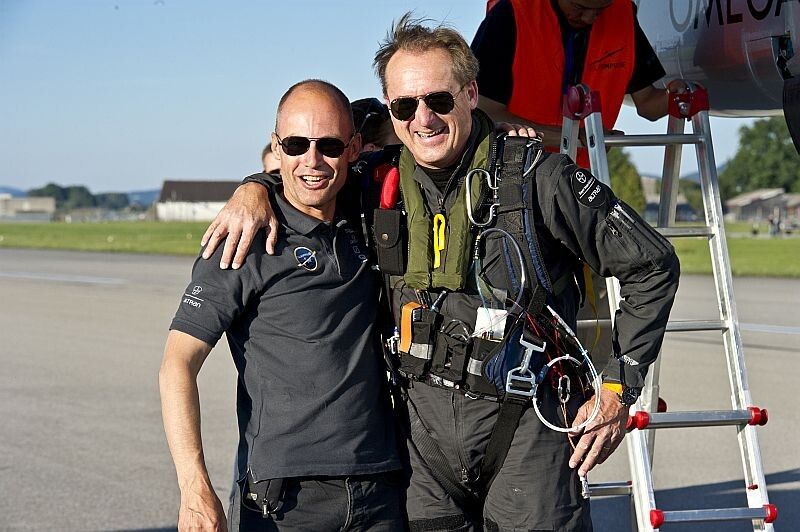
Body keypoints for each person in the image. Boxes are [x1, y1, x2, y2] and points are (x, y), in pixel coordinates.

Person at [202, 14, 680, 531]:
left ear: (471, 93)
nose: (422, 119)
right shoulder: (375, 185)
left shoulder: (539, 179)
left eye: (439, 100)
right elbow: (310, 170)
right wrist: (254, 187)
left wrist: (616, 391)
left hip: (528, 434)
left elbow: (652, 266)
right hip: (422, 449)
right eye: (404, 106)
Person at [159, 79, 403, 532]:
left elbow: (425, 145)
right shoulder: (243, 239)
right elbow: (177, 364)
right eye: (295, 144)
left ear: (352, 149)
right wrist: (194, 487)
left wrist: (498, 130)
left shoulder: (367, 219)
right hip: (287, 500)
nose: (312, 161)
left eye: (329, 146)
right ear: (277, 146)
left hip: (382, 487)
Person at [471, 0, 671, 163]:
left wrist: (680, 97)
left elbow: (648, 103)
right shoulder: (510, 14)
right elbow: (484, 115)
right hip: (514, 179)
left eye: (600, 10)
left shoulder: (623, 14)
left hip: (582, 185)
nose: (589, 18)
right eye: (579, 7)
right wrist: (575, 136)